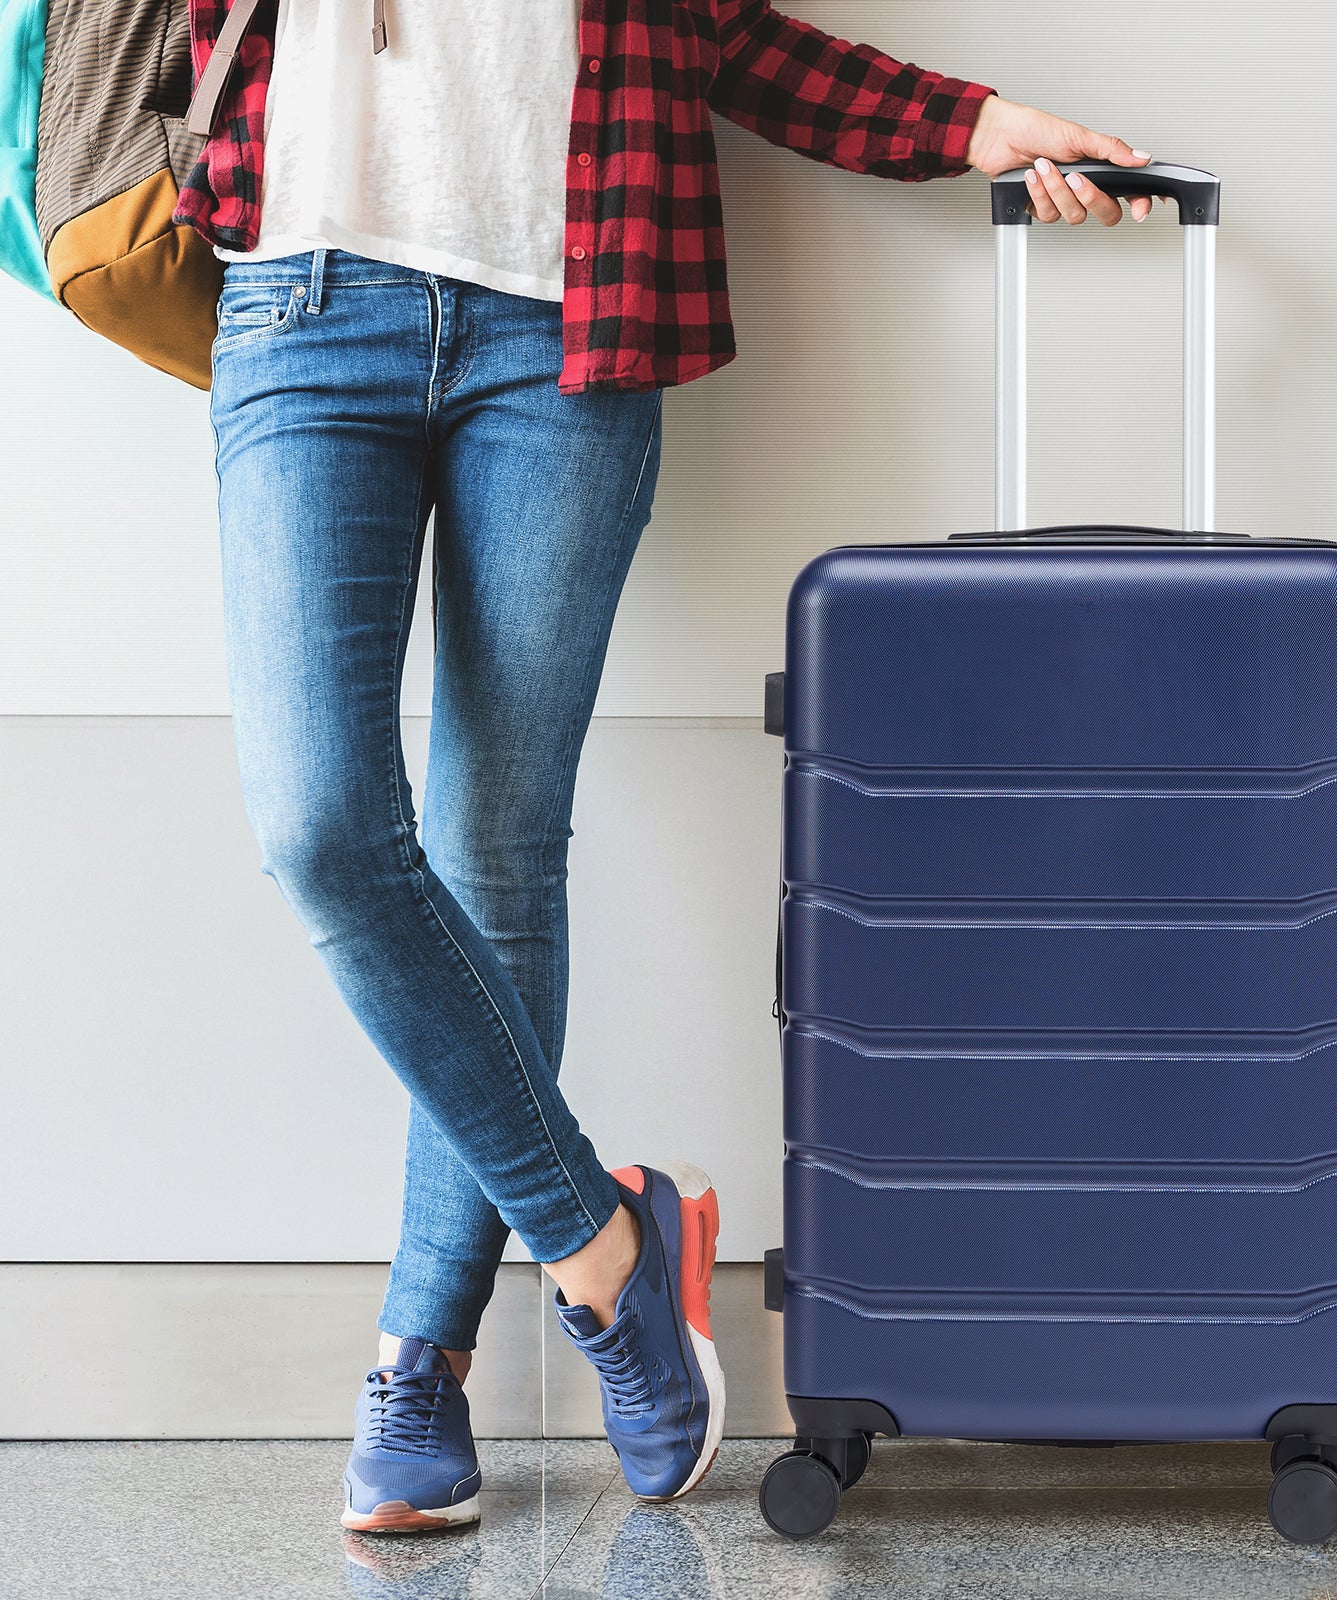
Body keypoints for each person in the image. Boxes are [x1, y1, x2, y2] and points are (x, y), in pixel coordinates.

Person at [176, 0, 1154, 1534]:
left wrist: (967, 125)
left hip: (566, 326)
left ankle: (417, 1357)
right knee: (319, 827)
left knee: (499, 848)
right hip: (303, 309)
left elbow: (727, 37)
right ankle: (604, 1245)